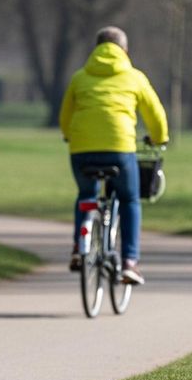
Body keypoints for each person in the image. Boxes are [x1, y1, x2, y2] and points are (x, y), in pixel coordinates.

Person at [60, 26, 169, 286]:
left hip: (82, 150)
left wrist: (69, 135)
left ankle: (78, 248)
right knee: (130, 199)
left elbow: (65, 117)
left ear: (96, 49)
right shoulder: (134, 77)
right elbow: (155, 115)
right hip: (119, 150)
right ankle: (130, 262)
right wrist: (159, 138)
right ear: (125, 51)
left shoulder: (79, 78)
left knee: (86, 196)